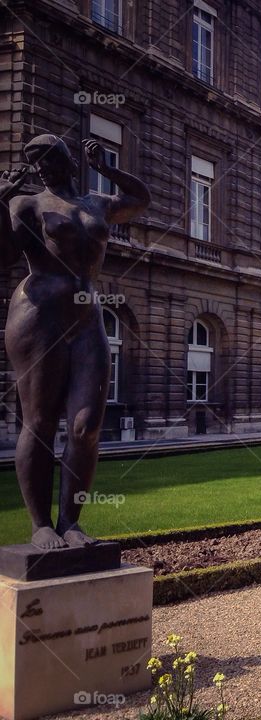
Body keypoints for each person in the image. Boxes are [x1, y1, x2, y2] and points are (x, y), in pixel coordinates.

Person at [0, 135, 150, 549]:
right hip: (39, 315)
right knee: (40, 422)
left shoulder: (96, 204)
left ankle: (70, 522)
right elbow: (4, 257)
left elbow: (140, 199)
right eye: (37, 163)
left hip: (87, 317)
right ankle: (41, 525)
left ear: (69, 161)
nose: (43, 168)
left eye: (50, 159)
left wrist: (108, 169)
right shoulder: (26, 205)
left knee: (86, 426)